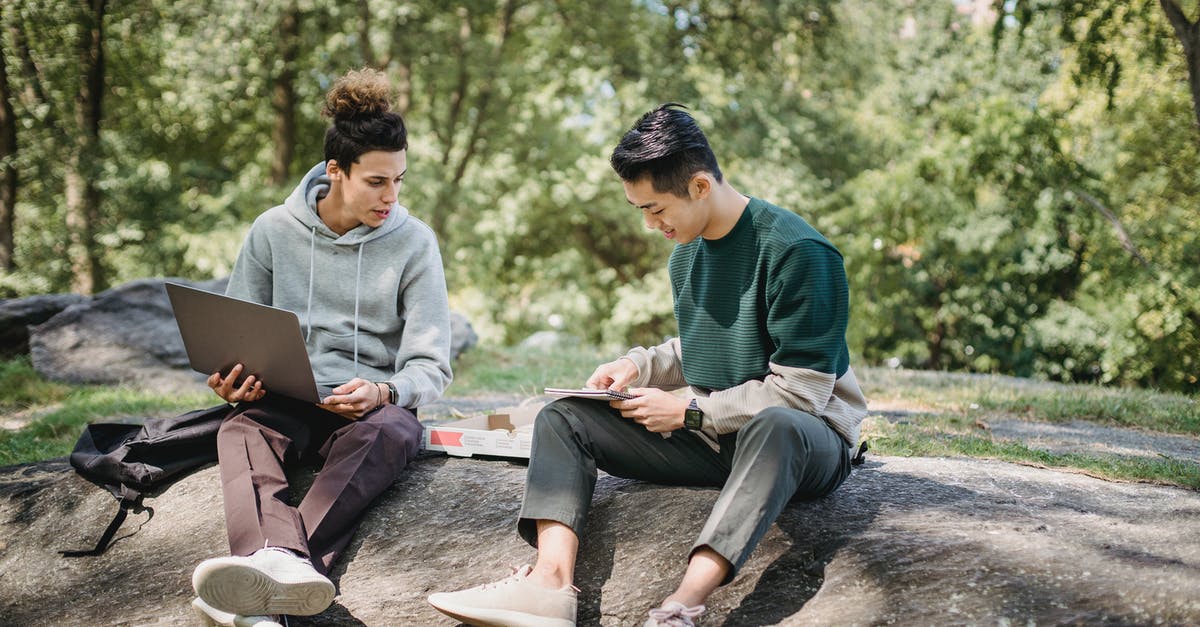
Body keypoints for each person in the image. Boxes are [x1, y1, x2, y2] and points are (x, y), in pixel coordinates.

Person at [428, 103, 867, 627]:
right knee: (564, 417)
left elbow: (801, 395)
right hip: (715, 437)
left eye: (656, 208)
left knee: (777, 425)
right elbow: (709, 343)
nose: (649, 224)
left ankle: (682, 604)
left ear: (700, 186)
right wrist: (638, 364)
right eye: (640, 209)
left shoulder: (800, 253)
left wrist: (689, 413)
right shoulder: (686, 252)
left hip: (802, 440)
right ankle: (548, 585)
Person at [188, 68, 453, 627]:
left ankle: (267, 572)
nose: (392, 196)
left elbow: (431, 364)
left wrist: (385, 390)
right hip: (286, 396)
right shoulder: (271, 231)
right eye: (377, 181)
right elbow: (234, 334)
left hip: (366, 407)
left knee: (395, 431)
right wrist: (230, 378)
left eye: (400, 180)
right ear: (335, 171)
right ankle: (283, 570)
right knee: (240, 428)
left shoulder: (414, 242)